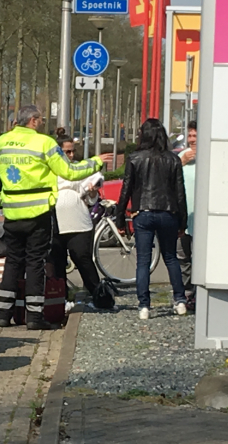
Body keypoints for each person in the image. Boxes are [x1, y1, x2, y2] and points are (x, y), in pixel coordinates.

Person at [0, 105, 113, 330]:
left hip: (11, 211)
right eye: (40, 119)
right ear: (33, 120)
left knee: (13, 261)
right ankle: (34, 317)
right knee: (35, 263)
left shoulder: (3, 141)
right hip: (37, 212)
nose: (42, 122)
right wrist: (96, 162)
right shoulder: (44, 143)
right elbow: (70, 172)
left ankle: (2, 313)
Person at [116, 118, 188, 320]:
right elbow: (180, 193)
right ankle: (180, 300)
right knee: (171, 258)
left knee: (143, 261)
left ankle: (144, 306)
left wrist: (120, 218)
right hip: (168, 212)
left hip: (143, 212)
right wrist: (183, 222)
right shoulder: (173, 160)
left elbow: (126, 190)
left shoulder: (135, 158)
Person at [52, 136, 102, 300]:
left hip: (79, 221)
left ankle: (97, 294)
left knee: (82, 258)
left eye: (73, 151)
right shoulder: (50, 169)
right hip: (56, 222)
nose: (71, 155)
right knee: (57, 262)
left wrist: (92, 192)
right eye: (67, 152)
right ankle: (61, 298)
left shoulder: (80, 168)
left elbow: (91, 199)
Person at [178, 120, 197, 310]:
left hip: (201, 219)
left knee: (199, 258)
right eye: (190, 136)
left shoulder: (210, 157)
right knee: (183, 257)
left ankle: (199, 293)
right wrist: (182, 162)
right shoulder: (181, 157)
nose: (192, 140)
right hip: (183, 217)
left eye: (195, 136)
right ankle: (186, 292)